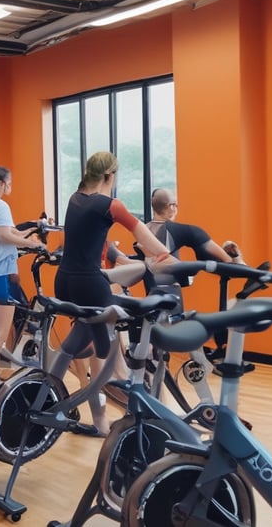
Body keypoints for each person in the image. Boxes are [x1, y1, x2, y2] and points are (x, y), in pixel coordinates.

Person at [54, 151, 174, 436]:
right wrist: (166, 255)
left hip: (66, 282)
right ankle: (152, 423)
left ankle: (52, 396)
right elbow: (144, 236)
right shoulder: (111, 204)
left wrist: (128, 259)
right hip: (89, 285)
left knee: (78, 342)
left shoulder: (74, 198)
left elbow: (92, 239)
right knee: (113, 365)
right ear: (110, 176)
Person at [0, 166, 44, 357]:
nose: (11, 187)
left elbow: (9, 232)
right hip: (1, 270)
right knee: (1, 329)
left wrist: (28, 232)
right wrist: (32, 245)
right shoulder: (0, 206)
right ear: (1, 183)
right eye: (9, 183)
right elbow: (4, 236)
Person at [147, 187, 244, 265]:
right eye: (176, 205)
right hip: (171, 286)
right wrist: (234, 258)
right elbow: (228, 262)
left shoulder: (142, 231)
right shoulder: (190, 231)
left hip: (150, 287)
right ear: (171, 206)